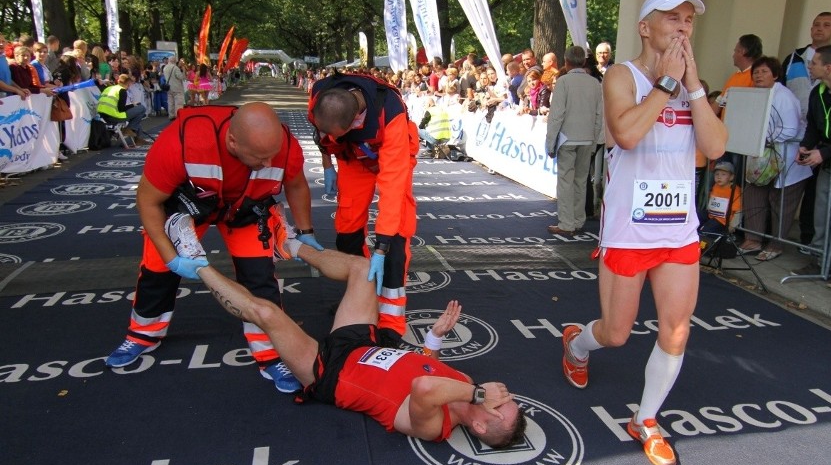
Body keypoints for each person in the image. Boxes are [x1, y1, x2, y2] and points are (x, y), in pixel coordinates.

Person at [163, 211, 526, 446]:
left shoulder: (436, 426)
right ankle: (286, 244)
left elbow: (425, 386)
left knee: (268, 314)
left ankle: (195, 263)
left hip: (329, 371)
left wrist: (478, 394)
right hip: (362, 342)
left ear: (480, 426)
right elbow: (428, 367)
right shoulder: (463, 382)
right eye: (506, 401)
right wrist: (434, 338)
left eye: (500, 408)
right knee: (361, 268)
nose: (501, 398)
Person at [560, 0, 727, 465]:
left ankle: (646, 419)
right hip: (629, 231)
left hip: (678, 232)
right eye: (672, 17)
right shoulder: (621, 75)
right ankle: (575, 341)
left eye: (689, 20)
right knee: (615, 334)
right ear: (645, 27)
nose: (682, 27)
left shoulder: (691, 84)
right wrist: (667, 85)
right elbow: (627, 134)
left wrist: (693, 87)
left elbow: (714, 149)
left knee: (676, 331)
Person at [103, 102, 322, 393]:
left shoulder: (283, 145)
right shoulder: (181, 141)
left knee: (260, 279)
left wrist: (305, 231)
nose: (269, 164)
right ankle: (143, 333)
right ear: (233, 141)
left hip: (246, 210)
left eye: (272, 156)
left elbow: (295, 184)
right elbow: (148, 200)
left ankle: (270, 354)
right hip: (190, 208)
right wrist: (171, 257)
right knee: (157, 270)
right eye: (259, 158)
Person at [309, 72, 419, 335]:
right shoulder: (321, 97)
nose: (328, 137)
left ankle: (391, 321)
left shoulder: (390, 114)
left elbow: (392, 187)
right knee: (346, 233)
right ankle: (363, 294)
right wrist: (328, 166)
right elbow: (322, 139)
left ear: (356, 122)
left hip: (390, 156)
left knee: (395, 239)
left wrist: (381, 247)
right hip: (353, 158)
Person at [737, 56, 808, 261]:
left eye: (764, 72)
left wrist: (763, 138)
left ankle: (775, 245)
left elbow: (790, 129)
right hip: (761, 156)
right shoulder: (756, 95)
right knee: (754, 194)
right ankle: (753, 239)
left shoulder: (784, 96)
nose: (759, 75)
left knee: (781, 202)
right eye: (756, 72)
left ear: (775, 75)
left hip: (785, 158)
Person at [793, 44, 831, 289]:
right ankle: (819, 260)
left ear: (828, 68)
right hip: (830, 161)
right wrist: (806, 146)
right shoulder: (818, 92)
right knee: (823, 211)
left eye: (814, 63)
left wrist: (824, 152)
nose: (809, 66)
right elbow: (814, 126)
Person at [781, 12, 831, 246]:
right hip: (796, 134)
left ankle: (811, 241)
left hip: (830, 142)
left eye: (826, 25)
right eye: (816, 24)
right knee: (789, 188)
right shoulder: (794, 58)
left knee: (819, 194)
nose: (819, 29)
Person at [545, 45, 603, 236]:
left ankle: (566, 223)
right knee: (580, 180)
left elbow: (557, 115)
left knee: (565, 181)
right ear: (584, 61)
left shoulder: (563, 82)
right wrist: (594, 140)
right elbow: (598, 115)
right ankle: (578, 220)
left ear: (566, 61)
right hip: (587, 138)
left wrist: (550, 142)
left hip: (567, 138)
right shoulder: (595, 83)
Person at [710, 34, 762, 117]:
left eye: (735, 51)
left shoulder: (757, 77)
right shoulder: (734, 77)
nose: (733, 55)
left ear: (743, 51)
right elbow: (719, 103)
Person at [97, 74, 148, 143]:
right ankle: (129, 130)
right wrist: (132, 105)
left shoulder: (109, 88)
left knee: (135, 117)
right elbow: (121, 109)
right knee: (141, 108)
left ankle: (136, 136)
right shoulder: (122, 91)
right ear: (128, 83)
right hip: (114, 116)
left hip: (103, 116)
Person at [698, 161, 741, 236]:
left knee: (705, 230)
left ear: (731, 177)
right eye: (717, 174)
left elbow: (738, 210)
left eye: (723, 174)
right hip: (711, 215)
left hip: (722, 221)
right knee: (697, 216)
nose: (719, 177)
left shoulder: (734, 190)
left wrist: (732, 225)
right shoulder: (715, 186)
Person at [162, 56, 186, 120]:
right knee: (178, 103)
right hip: (177, 87)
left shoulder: (165, 68)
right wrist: (183, 71)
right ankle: (178, 115)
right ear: (174, 61)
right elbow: (181, 77)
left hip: (169, 87)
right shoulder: (175, 68)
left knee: (170, 102)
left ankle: (171, 115)